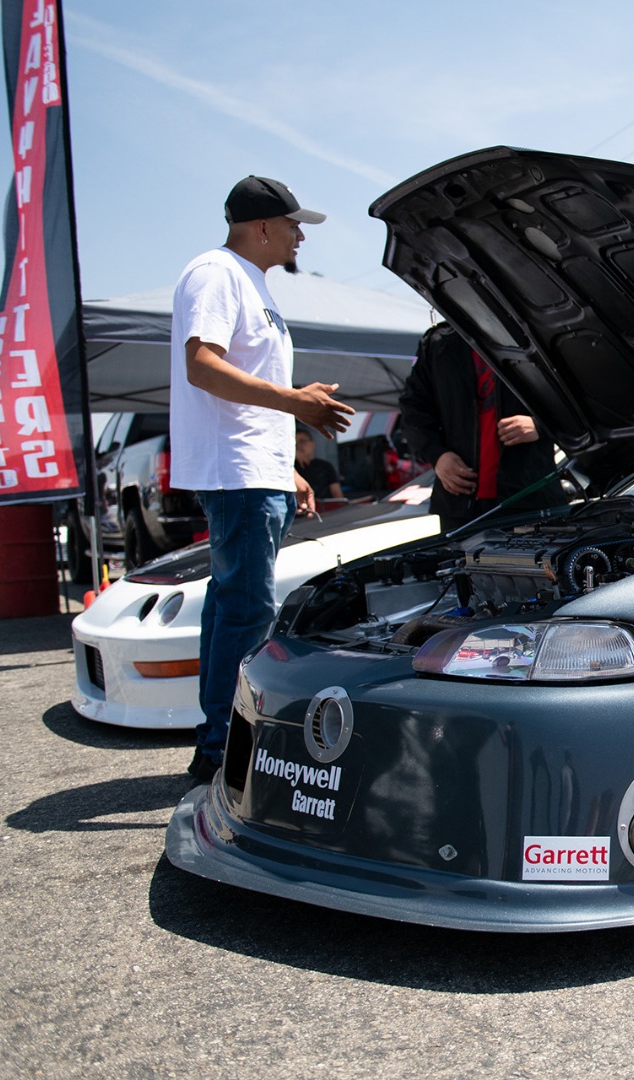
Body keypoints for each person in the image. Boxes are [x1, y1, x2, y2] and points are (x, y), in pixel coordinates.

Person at [171, 175, 354, 784]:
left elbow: (241, 391)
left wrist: (289, 468)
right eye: (296, 224)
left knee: (232, 608)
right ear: (264, 227)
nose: (302, 235)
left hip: (255, 471)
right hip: (236, 474)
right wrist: (296, 402)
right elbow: (204, 366)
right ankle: (223, 750)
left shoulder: (250, 282)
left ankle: (216, 743)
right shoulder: (216, 272)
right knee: (247, 611)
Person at [399, 321, 558, 533]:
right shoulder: (438, 342)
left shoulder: (532, 334)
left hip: (530, 500)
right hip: (460, 507)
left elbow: (580, 400)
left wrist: (540, 425)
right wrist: (437, 456)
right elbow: (413, 409)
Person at [294, 429, 344, 503]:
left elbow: (337, 495)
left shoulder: (325, 466)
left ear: (313, 444)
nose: (299, 446)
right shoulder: (292, 468)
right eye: (295, 443)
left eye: (302, 441)